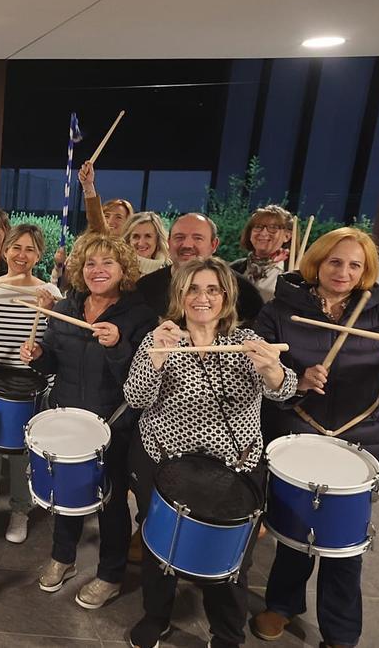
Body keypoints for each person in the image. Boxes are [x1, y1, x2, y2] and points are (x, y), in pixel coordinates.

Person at [123, 257, 297, 648]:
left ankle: (227, 633)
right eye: (193, 289)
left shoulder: (245, 342)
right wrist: (156, 360)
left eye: (212, 289)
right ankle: (157, 616)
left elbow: (284, 393)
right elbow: (135, 397)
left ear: (226, 296)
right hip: (166, 464)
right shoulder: (161, 338)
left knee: (232, 562)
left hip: (234, 468)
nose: (203, 298)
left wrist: (273, 370)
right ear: (180, 295)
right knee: (158, 548)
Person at [251, 228, 379, 648]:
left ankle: (341, 632)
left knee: (344, 544)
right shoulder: (279, 310)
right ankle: (283, 604)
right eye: (335, 261)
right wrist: (297, 379)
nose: (343, 271)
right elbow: (258, 371)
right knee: (295, 531)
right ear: (317, 263)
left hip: (357, 439)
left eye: (355, 264)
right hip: (297, 430)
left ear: (366, 271)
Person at [20, 232, 157, 608]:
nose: (98, 270)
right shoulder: (65, 308)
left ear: (123, 268)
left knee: (111, 503)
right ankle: (63, 557)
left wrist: (118, 347)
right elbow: (54, 361)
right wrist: (37, 355)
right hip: (66, 418)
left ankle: (110, 575)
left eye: (107, 263)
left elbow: (142, 379)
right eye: (90, 263)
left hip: (112, 424)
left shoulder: (140, 316)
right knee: (66, 495)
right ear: (80, 269)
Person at [0, 224, 62, 545]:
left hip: (32, 385)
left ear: (39, 255)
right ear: (6, 249)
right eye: (16, 247)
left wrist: (50, 312)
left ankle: (20, 511)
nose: (22, 255)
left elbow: (57, 343)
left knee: (24, 453)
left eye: (30, 249)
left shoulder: (50, 294)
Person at [136, 213, 263, 324]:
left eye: (198, 238)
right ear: (169, 243)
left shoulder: (243, 290)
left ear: (214, 245)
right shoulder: (144, 288)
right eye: (179, 237)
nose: (187, 245)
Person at [230, 205, 292, 302]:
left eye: (273, 227)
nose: (263, 233)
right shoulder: (234, 268)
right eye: (258, 227)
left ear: (287, 236)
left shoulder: (293, 271)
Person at [76, 161, 133, 237]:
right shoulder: (87, 245)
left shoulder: (134, 246)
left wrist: (88, 185)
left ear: (129, 222)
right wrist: (87, 185)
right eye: (106, 216)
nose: (110, 221)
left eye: (118, 217)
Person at [121, 212, 171, 276]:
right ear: (128, 240)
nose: (141, 243)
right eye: (136, 236)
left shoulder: (168, 273)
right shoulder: (118, 270)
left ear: (158, 240)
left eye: (148, 236)